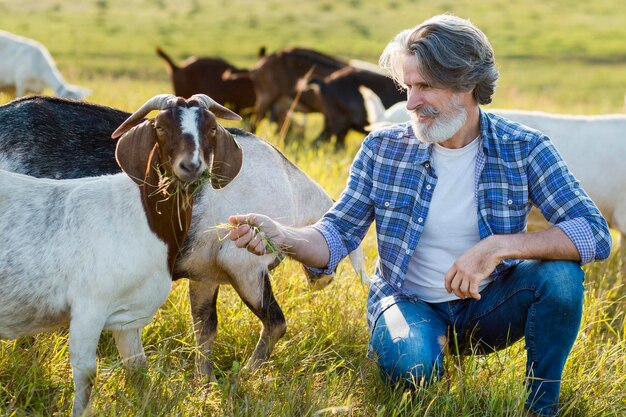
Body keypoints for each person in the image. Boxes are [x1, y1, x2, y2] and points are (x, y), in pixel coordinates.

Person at [227, 14, 612, 417]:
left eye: (425, 86)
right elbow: (337, 234)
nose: (410, 103)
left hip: (489, 304)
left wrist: (497, 247)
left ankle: (541, 406)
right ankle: (425, 347)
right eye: (408, 86)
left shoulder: (525, 147)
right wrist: (282, 235)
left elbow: (593, 234)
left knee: (561, 278)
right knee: (412, 369)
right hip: (407, 302)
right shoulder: (383, 149)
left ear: (467, 83)